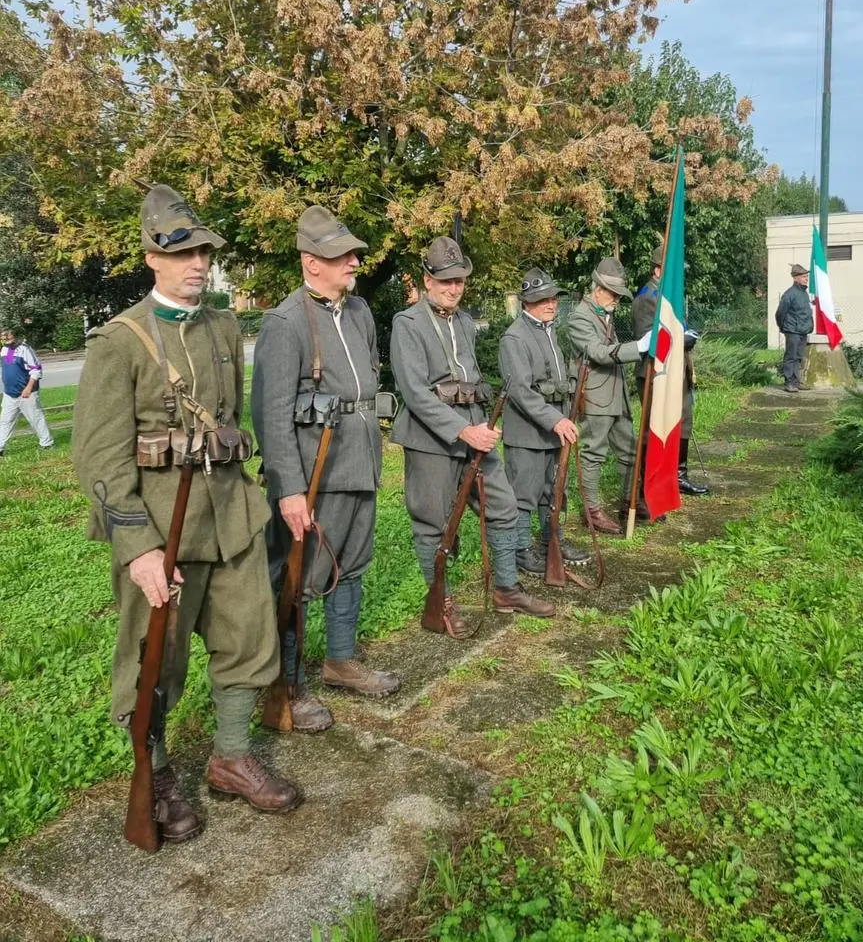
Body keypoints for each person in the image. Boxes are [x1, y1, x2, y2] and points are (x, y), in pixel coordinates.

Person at [72, 184, 300, 845]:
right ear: (152, 257)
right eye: (183, 253)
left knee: (249, 637)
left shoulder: (225, 328)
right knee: (154, 661)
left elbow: (229, 421)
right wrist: (137, 548)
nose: (198, 263)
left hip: (228, 516)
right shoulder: (120, 341)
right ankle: (160, 771)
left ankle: (230, 757)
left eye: (203, 251)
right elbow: (99, 460)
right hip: (160, 529)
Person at [251, 206, 400, 734]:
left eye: (354, 253)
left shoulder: (358, 310)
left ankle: (340, 660)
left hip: (359, 461)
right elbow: (270, 417)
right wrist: (289, 490)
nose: (355, 261)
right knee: (298, 579)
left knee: (353, 565)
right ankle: (286, 684)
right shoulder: (285, 322)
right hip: (313, 474)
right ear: (312, 262)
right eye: (344, 256)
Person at [390, 237, 555, 636]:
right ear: (427, 280)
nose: (453, 288)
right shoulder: (406, 324)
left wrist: (479, 424)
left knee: (503, 504)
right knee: (433, 523)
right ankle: (441, 604)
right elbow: (414, 392)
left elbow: (470, 379)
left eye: (460, 281)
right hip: (432, 437)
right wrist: (462, 429)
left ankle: (506, 589)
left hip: (475, 430)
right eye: (445, 281)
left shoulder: (464, 321)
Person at [499, 268, 590, 576]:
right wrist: (556, 420)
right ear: (527, 303)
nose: (550, 304)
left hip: (553, 427)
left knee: (553, 490)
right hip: (527, 432)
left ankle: (552, 542)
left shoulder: (549, 330)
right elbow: (521, 392)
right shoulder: (515, 337)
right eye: (542, 299)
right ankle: (522, 551)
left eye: (553, 298)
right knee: (524, 493)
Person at [567, 258, 651, 531]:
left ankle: (629, 505)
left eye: (618, 294)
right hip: (595, 397)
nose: (616, 299)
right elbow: (599, 353)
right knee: (593, 454)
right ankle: (592, 513)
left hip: (617, 396)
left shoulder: (605, 312)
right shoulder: (579, 317)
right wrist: (638, 347)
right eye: (612, 293)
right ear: (597, 288)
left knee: (629, 450)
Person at [632, 247, 708, 496]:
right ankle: (647, 484)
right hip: (656, 373)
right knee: (653, 427)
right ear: (657, 270)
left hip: (676, 369)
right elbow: (646, 340)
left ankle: (678, 475)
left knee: (683, 420)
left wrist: (685, 337)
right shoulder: (648, 297)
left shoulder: (668, 295)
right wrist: (679, 340)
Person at [0, 325, 54, 456]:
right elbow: (10, 368)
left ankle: (47, 444)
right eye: (2, 337)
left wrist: (28, 388)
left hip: (27, 393)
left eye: (7, 336)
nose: (4, 339)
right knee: (5, 421)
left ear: (15, 336)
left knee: (36, 418)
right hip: (10, 394)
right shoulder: (5, 350)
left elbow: (36, 370)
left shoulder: (25, 349)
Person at [775, 263, 813, 393]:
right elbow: (780, 313)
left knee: (798, 356)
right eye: (803, 276)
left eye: (806, 276)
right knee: (791, 356)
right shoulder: (789, 294)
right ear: (795, 278)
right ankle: (789, 382)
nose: (806, 278)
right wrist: (784, 327)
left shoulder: (804, 294)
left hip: (803, 331)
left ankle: (796, 381)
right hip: (792, 331)